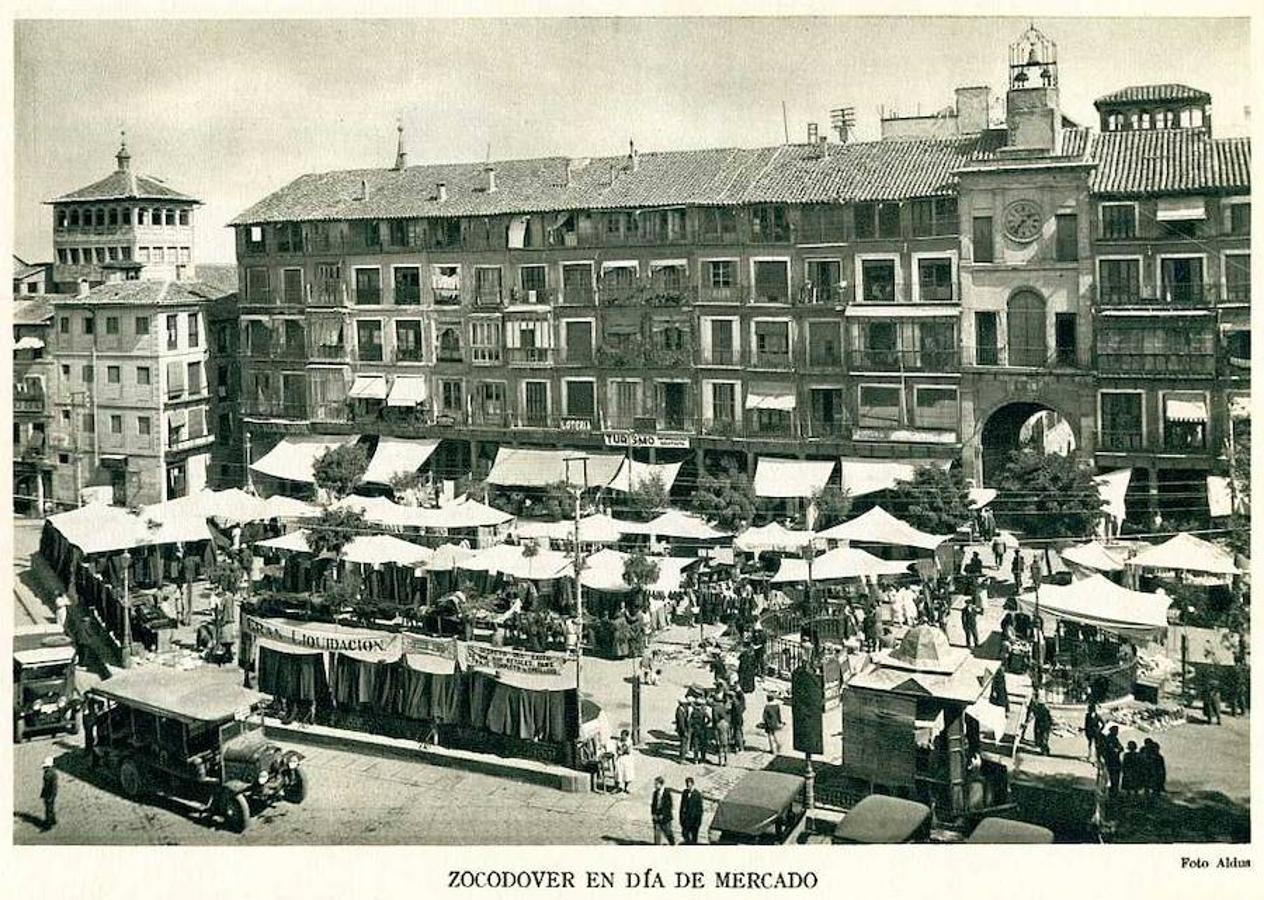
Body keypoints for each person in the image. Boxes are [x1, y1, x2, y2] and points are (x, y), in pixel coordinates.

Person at [1099, 725, 1124, 797]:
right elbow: (1111, 749)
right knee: (1114, 776)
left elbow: (1121, 747)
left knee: (1115, 776)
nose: (1117, 732)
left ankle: (1114, 790)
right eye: (1116, 731)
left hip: (1113, 760)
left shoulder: (1114, 738)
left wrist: (1118, 749)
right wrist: (1117, 750)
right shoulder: (1109, 739)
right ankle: (1113, 791)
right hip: (1112, 760)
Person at [650, 776, 675, 845]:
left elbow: (669, 806)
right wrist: (653, 814)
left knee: (668, 833)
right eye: (655, 784)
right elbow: (653, 804)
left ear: (661, 784)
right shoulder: (655, 793)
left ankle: (673, 845)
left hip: (665, 818)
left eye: (656, 784)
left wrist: (663, 815)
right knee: (657, 834)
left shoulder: (667, 793)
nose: (655, 786)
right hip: (656, 817)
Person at [679, 776, 704, 845]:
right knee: (685, 835)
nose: (688, 787)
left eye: (689, 785)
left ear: (693, 784)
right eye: (687, 785)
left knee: (694, 840)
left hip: (694, 821)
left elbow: (700, 810)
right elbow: (682, 806)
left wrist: (698, 823)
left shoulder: (697, 794)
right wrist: (681, 818)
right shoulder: (685, 792)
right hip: (686, 820)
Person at [40, 756, 58, 830]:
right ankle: (53, 820)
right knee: (51, 807)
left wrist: (44, 795)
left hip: (49, 793)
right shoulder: (53, 772)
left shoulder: (47, 774)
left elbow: (46, 786)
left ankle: (48, 824)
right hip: (53, 793)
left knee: (48, 808)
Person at [675, 698, 693, 764]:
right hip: (682, 729)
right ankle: (682, 759)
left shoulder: (682, 709)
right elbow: (681, 723)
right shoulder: (679, 711)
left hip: (684, 728)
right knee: (683, 744)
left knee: (684, 743)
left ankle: (683, 756)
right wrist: (684, 731)